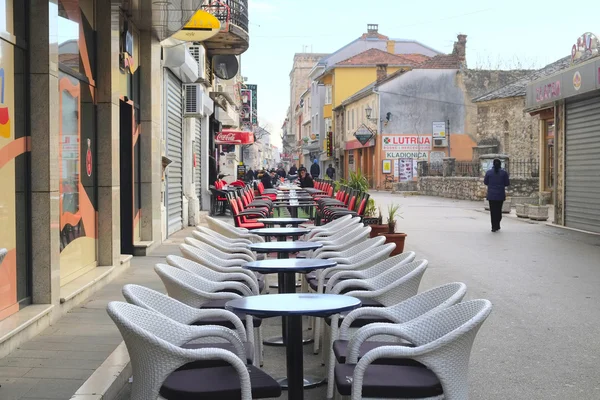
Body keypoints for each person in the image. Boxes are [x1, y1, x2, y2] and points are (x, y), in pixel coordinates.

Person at [484, 159, 510, 232]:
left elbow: (485, 182)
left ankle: (493, 226)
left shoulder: (489, 172)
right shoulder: (504, 173)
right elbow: (507, 183)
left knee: (493, 211)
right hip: (500, 194)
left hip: (491, 195)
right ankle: (497, 224)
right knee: (498, 210)